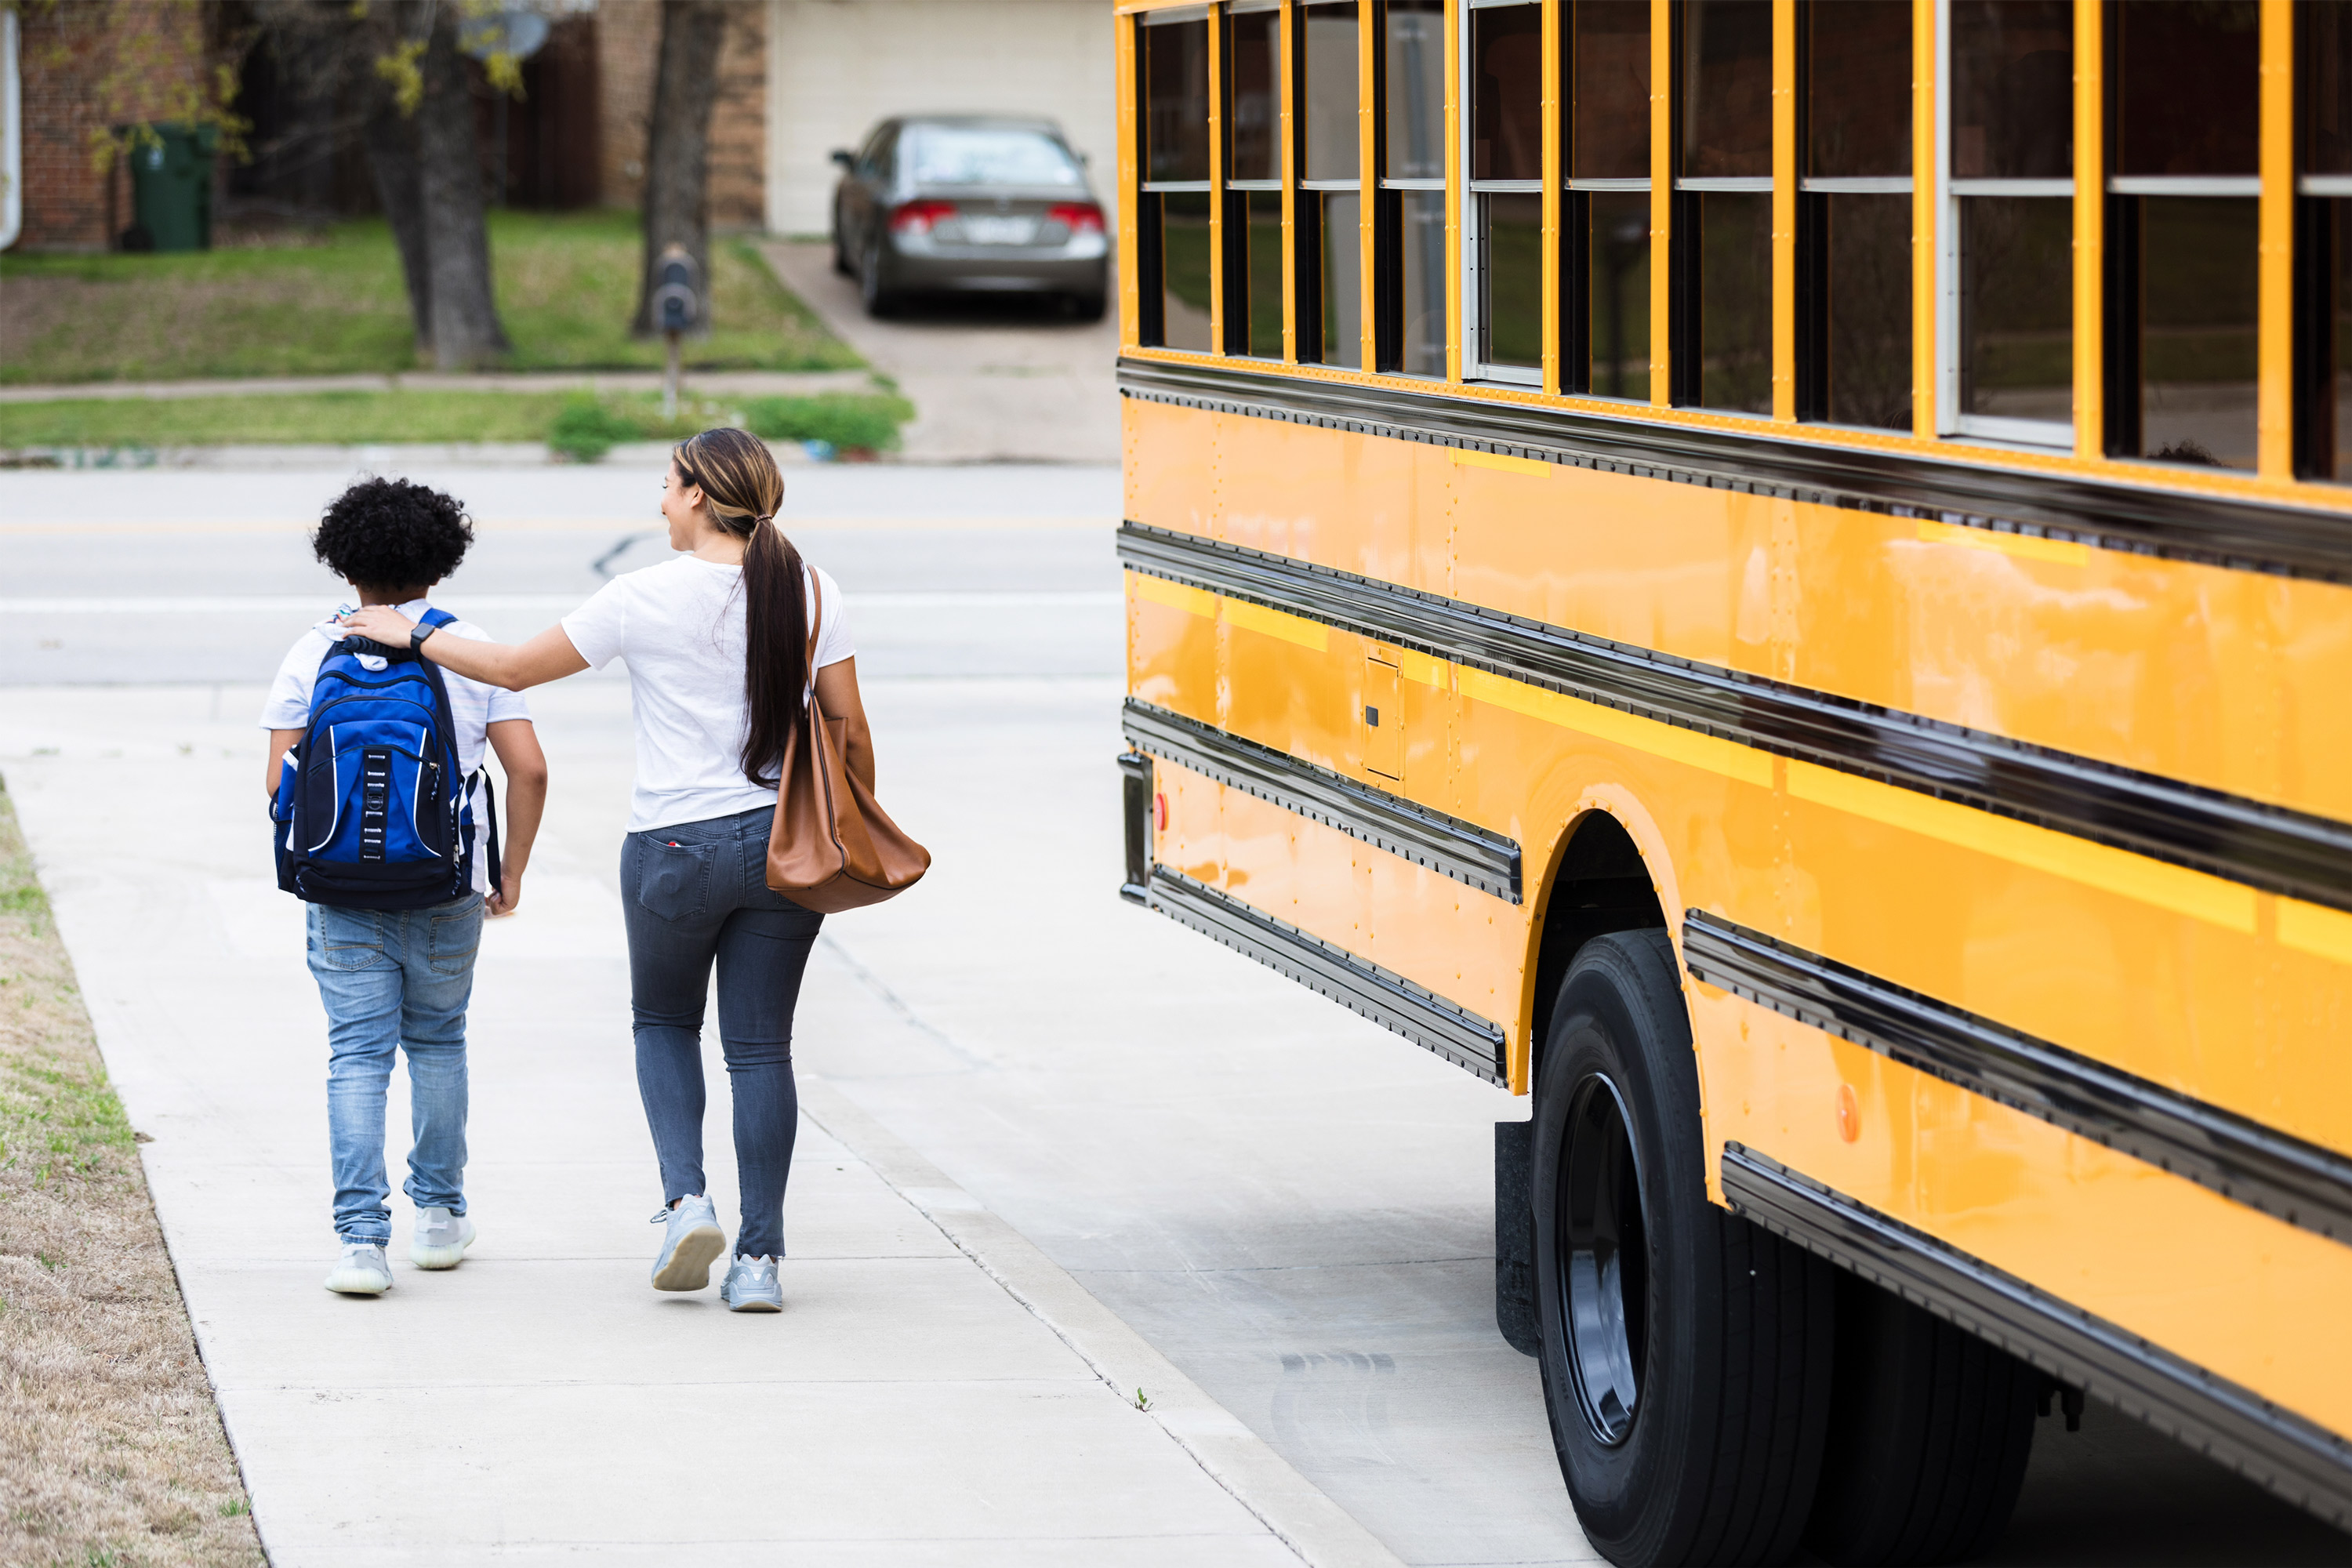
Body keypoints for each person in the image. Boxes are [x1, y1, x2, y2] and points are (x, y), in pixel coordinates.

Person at [338, 428, 869, 1314]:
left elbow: (512, 669)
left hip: (672, 848)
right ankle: (761, 1262)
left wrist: (413, 631)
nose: (659, 501)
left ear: (699, 495)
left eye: (666, 484)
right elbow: (849, 728)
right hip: (784, 846)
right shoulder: (811, 591)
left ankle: (686, 1201)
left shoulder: (641, 597)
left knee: (664, 1021)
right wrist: (837, 830)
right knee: (761, 1048)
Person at [264, 477, 549, 1297]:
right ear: (441, 560)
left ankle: (359, 1241)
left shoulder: (312, 650)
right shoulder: (471, 647)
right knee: (437, 1040)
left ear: (342, 563)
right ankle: (438, 1214)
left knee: (356, 1055)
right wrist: (511, 869)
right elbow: (527, 767)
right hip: (446, 880)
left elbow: (280, 782)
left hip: (340, 886)